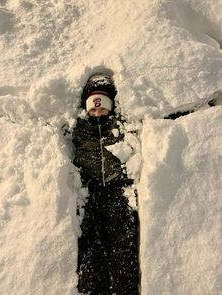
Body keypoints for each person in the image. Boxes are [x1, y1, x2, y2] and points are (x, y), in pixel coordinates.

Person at [72, 74, 139, 295]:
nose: (98, 114)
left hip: (118, 191)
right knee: (91, 251)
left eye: (102, 109)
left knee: (122, 249)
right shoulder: (80, 130)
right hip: (90, 194)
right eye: (93, 110)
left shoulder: (119, 127)